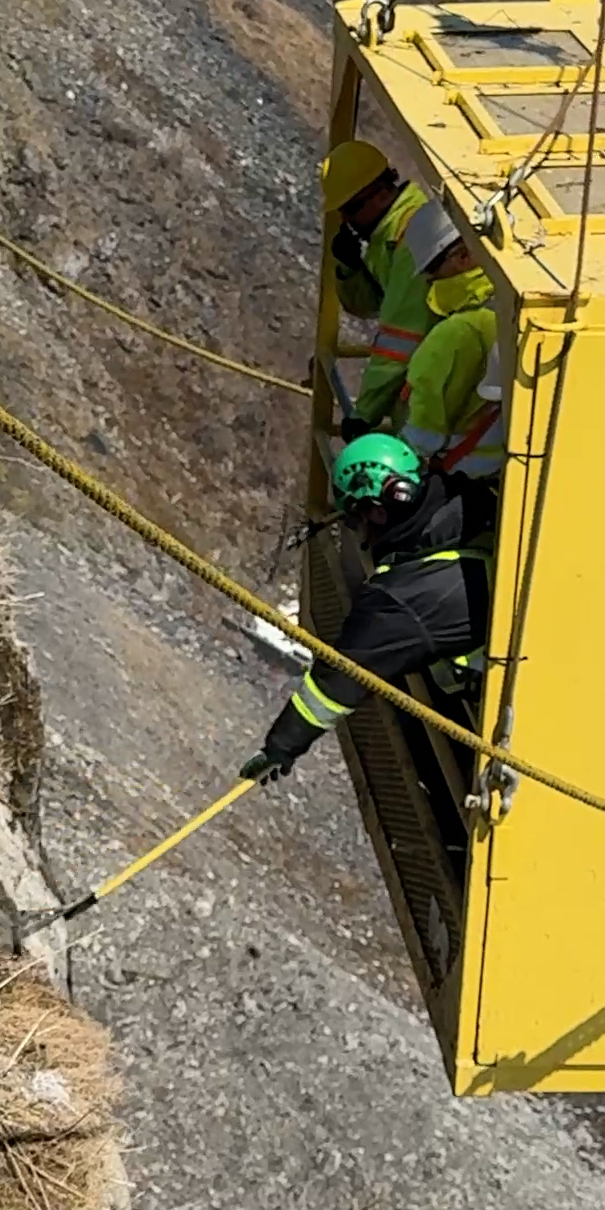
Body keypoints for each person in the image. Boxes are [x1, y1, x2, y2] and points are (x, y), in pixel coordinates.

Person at [242, 431, 491, 783]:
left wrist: (280, 747)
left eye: (357, 518)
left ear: (378, 510)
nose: (360, 534)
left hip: (491, 709)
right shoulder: (479, 503)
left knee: (418, 734)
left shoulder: (404, 595)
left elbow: (339, 677)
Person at [322, 136, 456, 426]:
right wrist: (350, 269)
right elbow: (368, 305)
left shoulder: (412, 240)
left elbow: (401, 337)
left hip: (438, 398)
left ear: (381, 194)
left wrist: (364, 415)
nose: (346, 221)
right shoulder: (388, 235)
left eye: (352, 209)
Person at [396, 237, 504, 492]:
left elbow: (422, 435)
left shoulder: (455, 333)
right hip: (507, 471)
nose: (428, 279)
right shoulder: (510, 312)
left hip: (461, 475)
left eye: (432, 267)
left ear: (464, 257)